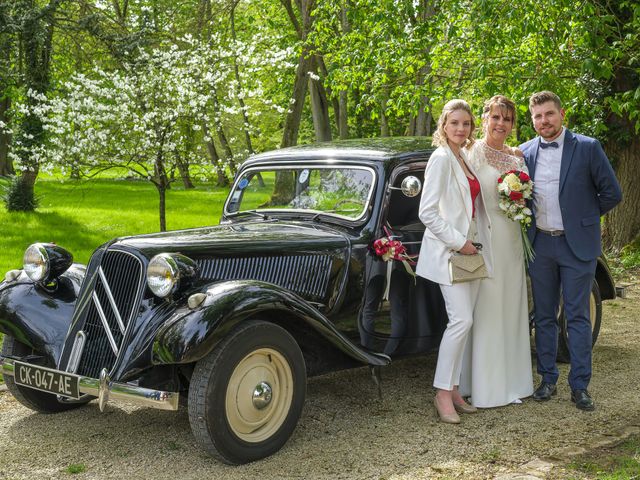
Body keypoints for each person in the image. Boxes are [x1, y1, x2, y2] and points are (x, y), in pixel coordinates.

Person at [520, 91, 622, 411]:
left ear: (561, 114)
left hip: (577, 245)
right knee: (545, 316)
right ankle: (547, 379)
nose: (543, 121)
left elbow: (612, 193)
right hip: (540, 246)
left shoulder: (588, 147)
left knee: (577, 316)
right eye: (537, 116)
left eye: (549, 114)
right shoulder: (524, 152)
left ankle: (580, 386)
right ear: (532, 119)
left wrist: (584, 219)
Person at [416, 99, 493, 424]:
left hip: (472, 250)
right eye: (454, 123)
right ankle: (441, 393)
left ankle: (456, 387)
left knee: (467, 322)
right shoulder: (441, 158)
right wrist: (459, 243)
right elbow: (427, 212)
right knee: (460, 321)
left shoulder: (463, 157)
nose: (461, 129)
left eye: (466, 124)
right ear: (443, 126)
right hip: (451, 253)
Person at [459, 95, 534, 408]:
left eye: (507, 119)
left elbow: (526, 198)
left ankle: (515, 382)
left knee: (512, 306)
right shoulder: (471, 153)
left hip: (512, 241)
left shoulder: (517, 157)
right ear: (485, 119)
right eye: (496, 117)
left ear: (512, 124)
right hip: (486, 240)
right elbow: (463, 197)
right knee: (488, 309)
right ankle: (486, 386)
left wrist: (519, 200)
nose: (501, 124)